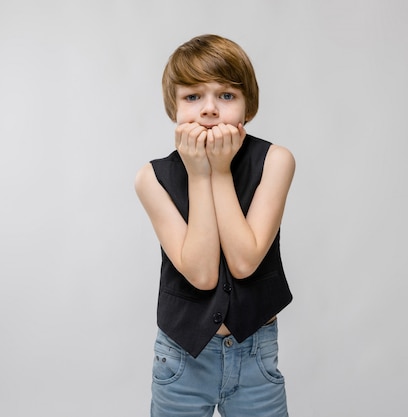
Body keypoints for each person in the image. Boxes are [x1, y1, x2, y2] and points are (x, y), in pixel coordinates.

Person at [134, 34, 295, 417]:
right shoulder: (151, 178)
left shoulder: (276, 161)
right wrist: (198, 173)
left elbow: (244, 262)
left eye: (226, 95)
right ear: (173, 106)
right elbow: (203, 274)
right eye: (192, 97)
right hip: (181, 358)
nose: (209, 110)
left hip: (254, 352)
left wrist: (220, 173)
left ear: (247, 106)